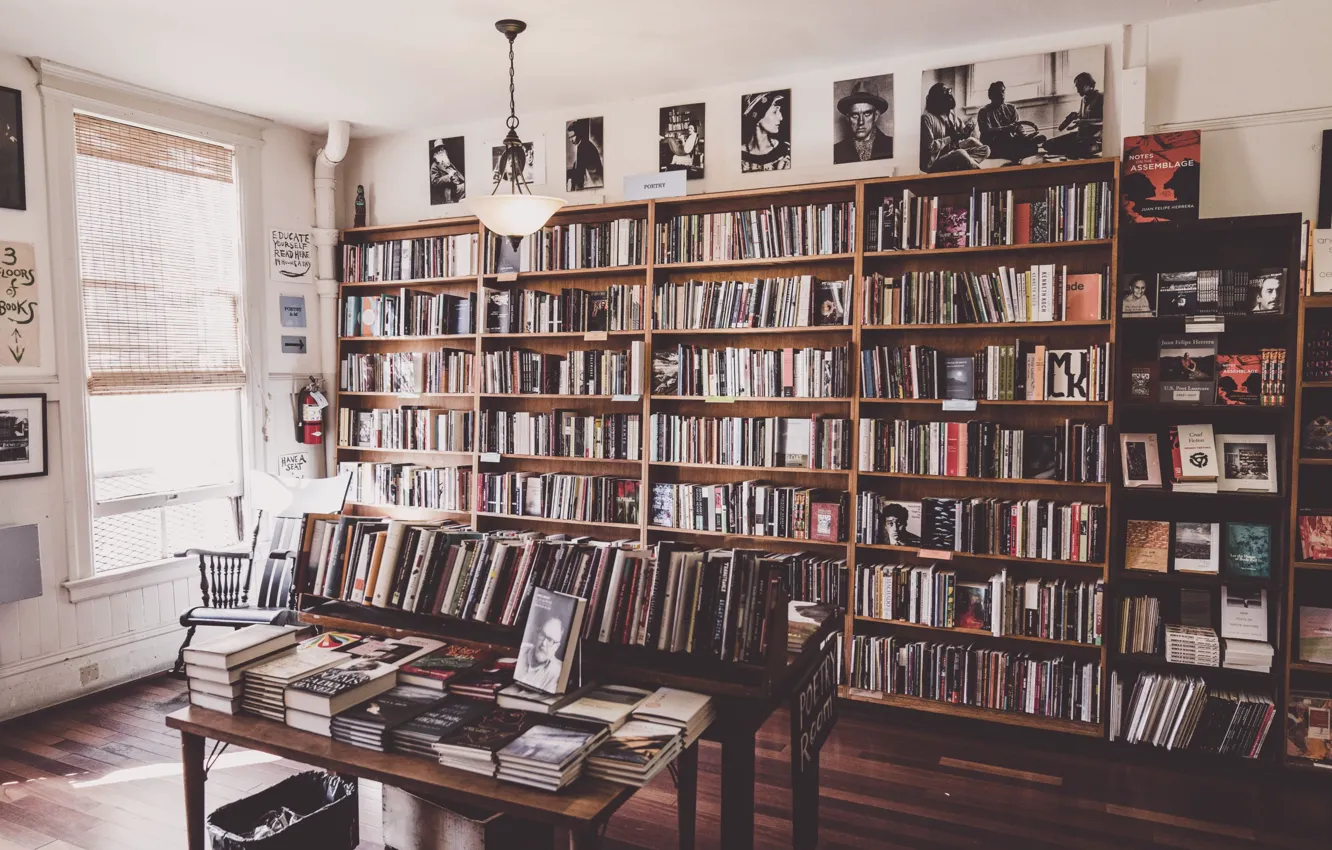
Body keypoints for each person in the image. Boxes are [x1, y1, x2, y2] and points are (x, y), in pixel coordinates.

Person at [919, 83, 990, 173]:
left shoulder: (950, 114)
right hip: (934, 163)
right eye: (945, 92)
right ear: (937, 99)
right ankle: (978, 172)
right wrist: (951, 138)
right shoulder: (927, 118)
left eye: (949, 90)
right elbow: (929, 148)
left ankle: (964, 163)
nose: (950, 94)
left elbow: (961, 131)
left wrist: (967, 130)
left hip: (951, 150)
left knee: (985, 149)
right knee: (960, 153)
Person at [976, 81, 1044, 163]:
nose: (1002, 95)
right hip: (994, 144)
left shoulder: (1011, 108)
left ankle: (1027, 143)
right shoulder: (984, 112)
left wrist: (1026, 137)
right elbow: (986, 131)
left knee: (1033, 147)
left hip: (1011, 140)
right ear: (991, 96)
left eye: (1003, 91)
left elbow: (1019, 127)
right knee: (1012, 147)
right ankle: (1018, 150)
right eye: (998, 93)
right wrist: (1006, 129)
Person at [1043, 72, 1103, 160]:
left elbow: (1105, 120)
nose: (1077, 90)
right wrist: (1075, 120)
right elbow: (1083, 116)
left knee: (1072, 152)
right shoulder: (1083, 100)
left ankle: (1077, 150)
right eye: (1077, 87)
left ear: (1087, 85)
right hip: (1080, 136)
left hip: (1094, 139)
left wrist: (1083, 122)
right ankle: (1073, 150)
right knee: (1047, 144)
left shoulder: (1101, 97)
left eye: (1079, 86)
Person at [833, 80, 893, 164]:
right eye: (855, 115)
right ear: (848, 118)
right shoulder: (835, 152)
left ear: (876, 116)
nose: (861, 122)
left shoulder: (892, 146)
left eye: (867, 113)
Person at [741, 92, 791, 172]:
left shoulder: (786, 150)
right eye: (774, 112)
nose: (781, 118)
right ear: (757, 118)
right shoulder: (738, 155)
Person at [519, 614, 566, 693]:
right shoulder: (521, 650)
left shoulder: (558, 672)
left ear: (556, 647)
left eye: (550, 640)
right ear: (537, 634)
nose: (544, 643)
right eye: (542, 635)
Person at [566, 119, 603, 191]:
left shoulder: (584, 147)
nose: (571, 140)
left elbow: (579, 174)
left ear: (578, 134)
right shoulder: (584, 144)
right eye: (569, 137)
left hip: (595, 183)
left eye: (573, 136)